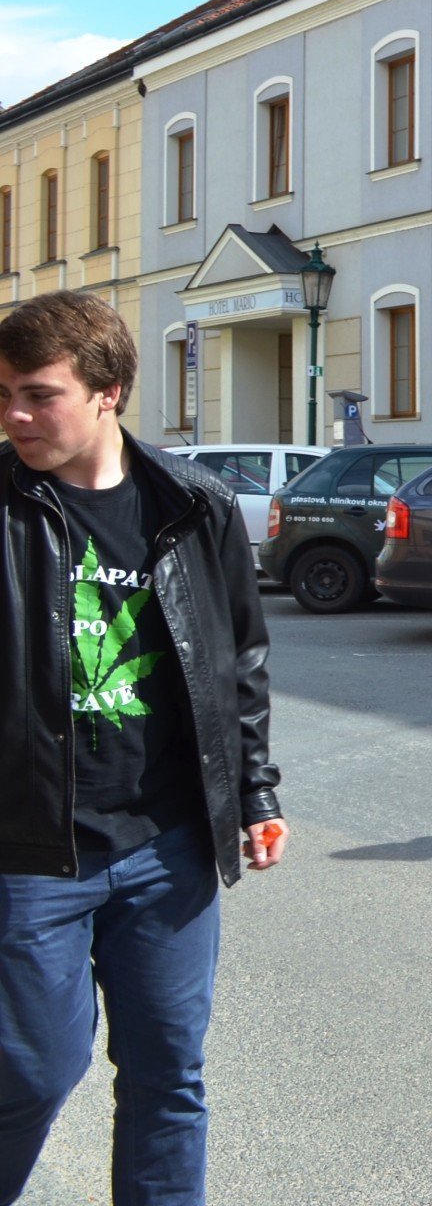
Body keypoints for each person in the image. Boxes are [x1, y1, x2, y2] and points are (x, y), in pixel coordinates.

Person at [0, 291, 285, 1204]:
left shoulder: (194, 507)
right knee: (31, 1072)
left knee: (169, 1077)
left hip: (168, 844)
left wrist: (256, 794)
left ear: (109, 392)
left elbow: (238, 659)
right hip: (30, 848)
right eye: (4, 393)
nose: (15, 415)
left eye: (38, 395)